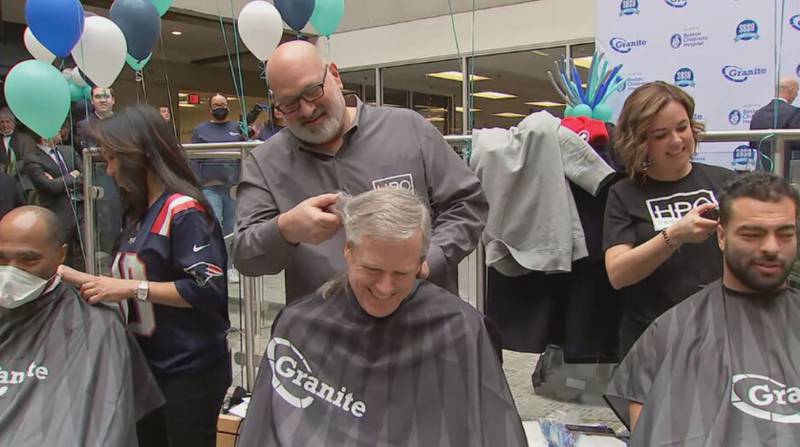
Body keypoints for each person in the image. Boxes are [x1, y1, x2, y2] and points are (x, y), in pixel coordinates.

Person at [237, 188, 526, 446]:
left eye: (402, 273)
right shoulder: (300, 325)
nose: (385, 288)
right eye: (372, 270)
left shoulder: (461, 328)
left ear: (421, 262)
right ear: (348, 251)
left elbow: (495, 430)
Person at [234, 41, 488, 303]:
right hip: (326, 329)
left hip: (421, 318)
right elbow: (245, 255)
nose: (306, 109)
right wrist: (286, 230)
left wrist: (427, 259)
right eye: (289, 103)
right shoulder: (265, 163)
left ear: (335, 75)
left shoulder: (408, 130)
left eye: (312, 91)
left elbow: (467, 204)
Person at [60, 105, 231, 447]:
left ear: (140, 155)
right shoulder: (138, 214)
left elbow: (206, 288)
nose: (108, 170)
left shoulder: (184, 211)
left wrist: (129, 288)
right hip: (147, 368)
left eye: (112, 159)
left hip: (188, 372)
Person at [605, 172, 800, 446]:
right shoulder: (671, 332)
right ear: (721, 236)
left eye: (785, 234)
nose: (770, 247)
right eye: (752, 234)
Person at [0, 206, 163, 447]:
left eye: (28, 260)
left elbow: (106, 425)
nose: (12, 271)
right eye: (2, 258)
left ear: (61, 255)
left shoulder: (97, 326)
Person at [603, 81, 737, 355]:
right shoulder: (623, 194)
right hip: (651, 338)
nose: (676, 141)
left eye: (682, 127)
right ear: (640, 140)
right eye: (660, 134)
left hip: (719, 332)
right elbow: (618, 274)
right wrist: (675, 235)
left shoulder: (725, 181)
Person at [23, 133, 84, 270]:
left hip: (82, 208)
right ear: (44, 136)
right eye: (56, 129)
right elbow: (50, 187)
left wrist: (61, 180)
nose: (61, 131)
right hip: (59, 213)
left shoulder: (68, 150)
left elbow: (86, 173)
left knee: (89, 250)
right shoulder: (32, 159)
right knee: (64, 258)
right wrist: (73, 174)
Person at [191, 93, 244, 237]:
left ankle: (231, 259)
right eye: (215, 105)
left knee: (232, 228)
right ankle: (216, 258)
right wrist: (197, 184)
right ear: (210, 109)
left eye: (222, 105)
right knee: (213, 225)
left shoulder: (238, 127)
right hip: (209, 187)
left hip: (233, 187)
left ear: (227, 107)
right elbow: (193, 159)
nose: (219, 108)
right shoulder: (200, 130)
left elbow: (246, 155)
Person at [749, 76, 800, 177]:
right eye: (797, 91)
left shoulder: (757, 114)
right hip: (788, 175)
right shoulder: (795, 113)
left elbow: (753, 144)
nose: (796, 95)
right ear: (792, 89)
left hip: (762, 175)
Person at [0, 107, 36, 203]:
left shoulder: (25, 139)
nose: (5, 125)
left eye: (7, 122)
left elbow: (29, 158)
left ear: (13, 123)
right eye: (2, 122)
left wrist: (13, 170)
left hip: (22, 178)